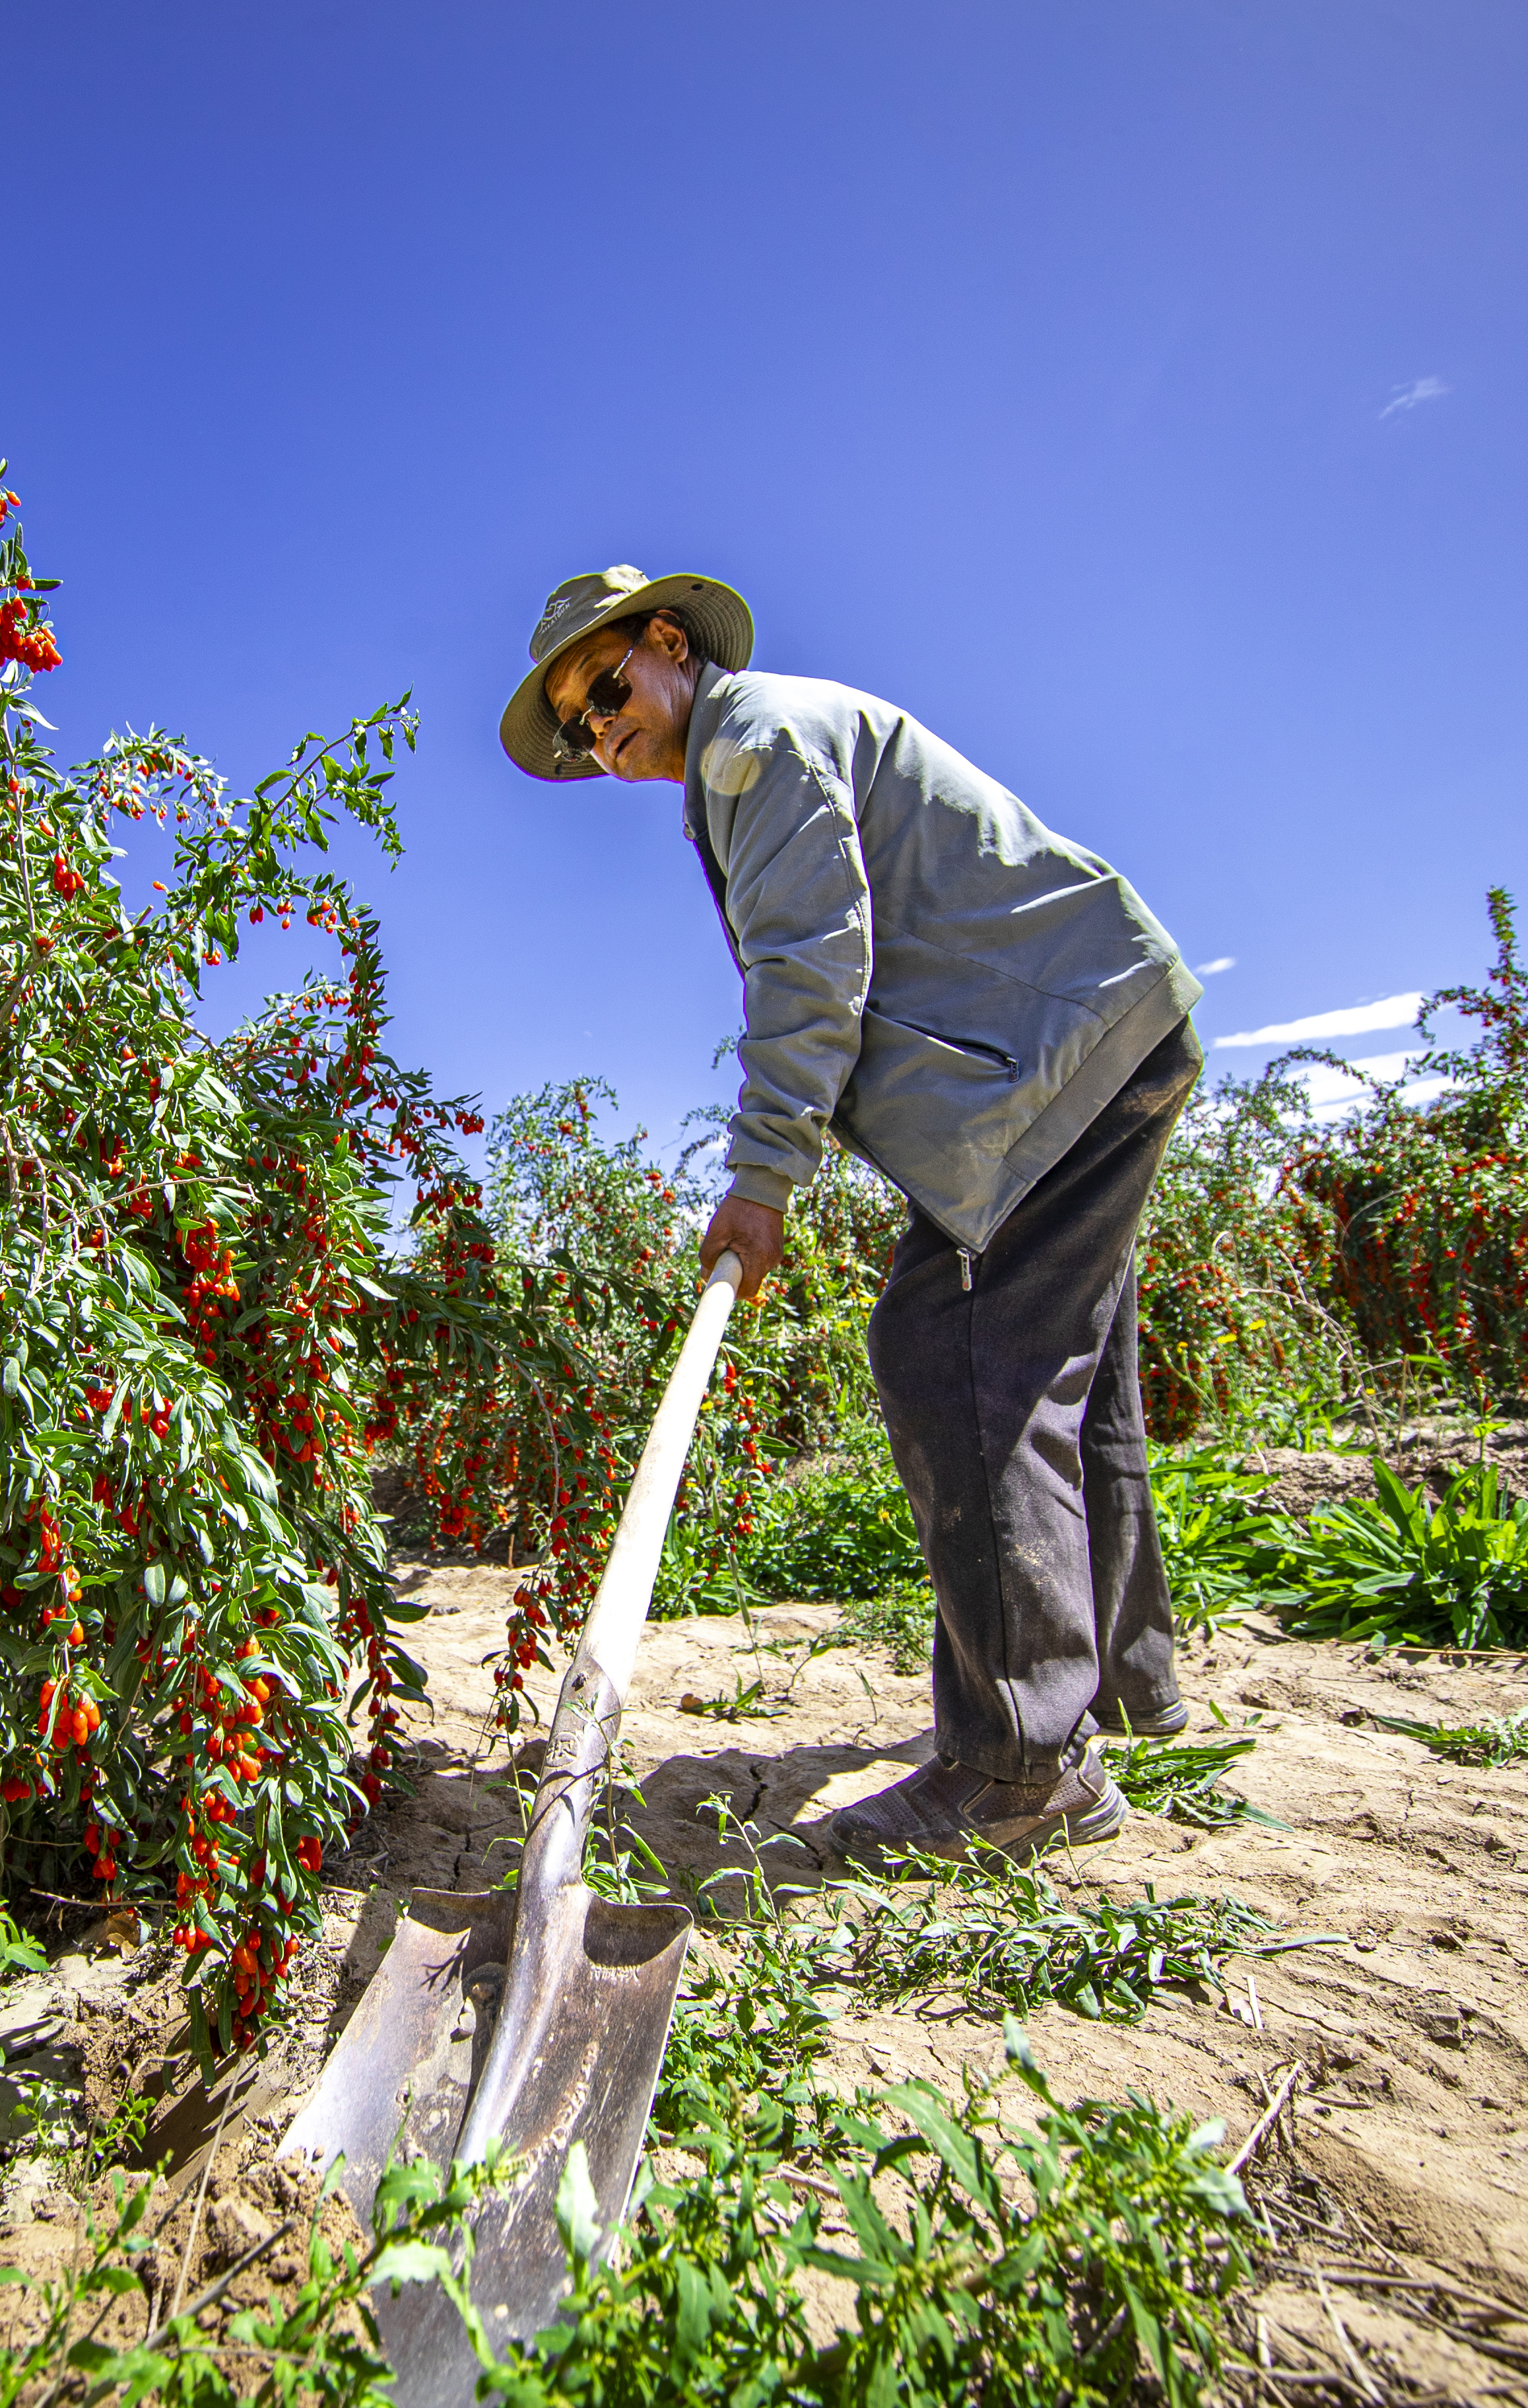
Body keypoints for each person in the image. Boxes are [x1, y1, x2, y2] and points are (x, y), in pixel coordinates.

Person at [498, 565, 1207, 1865]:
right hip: (1089, 1043)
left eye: (607, 691)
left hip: (1050, 1067)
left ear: (668, 645)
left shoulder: (754, 748)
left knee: (952, 1350)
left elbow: (813, 969)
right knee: (1062, 1370)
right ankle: (1122, 1684)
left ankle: (1021, 1768)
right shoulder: (752, 757)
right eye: (582, 728)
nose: (605, 731)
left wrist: (760, 1180)